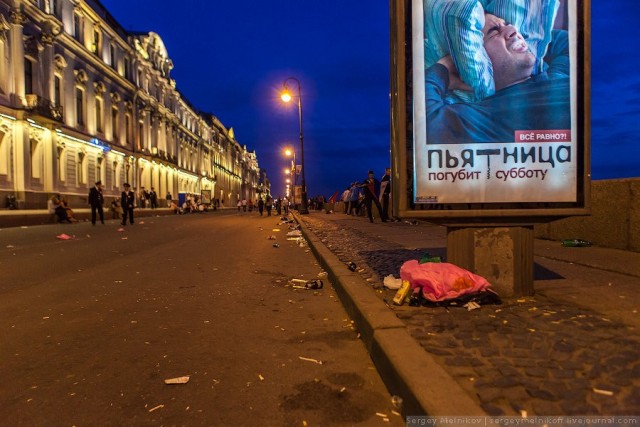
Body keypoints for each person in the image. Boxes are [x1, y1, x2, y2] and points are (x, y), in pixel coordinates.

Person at [426, 13, 570, 144]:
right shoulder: (485, 117)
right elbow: (426, 119)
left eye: (507, 24)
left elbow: (570, 42)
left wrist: (532, 40)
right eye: (494, 31)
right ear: (474, 59)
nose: (513, 29)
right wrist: (447, 66)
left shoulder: (558, 73)